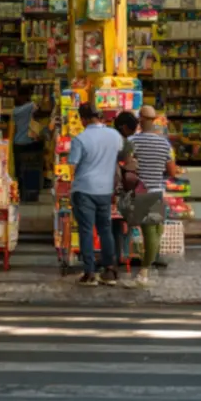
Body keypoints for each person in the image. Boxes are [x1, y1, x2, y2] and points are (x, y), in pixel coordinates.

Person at [68, 102, 124, 286]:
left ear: (83, 119)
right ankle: (110, 269)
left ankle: (90, 272)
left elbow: (72, 166)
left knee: (86, 230)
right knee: (105, 229)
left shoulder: (80, 139)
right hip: (105, 189)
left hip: (84, 189)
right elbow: (121, 157)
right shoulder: (114, 135)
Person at [124, 106, 181, 284]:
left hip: (141, 192)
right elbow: (172, 171)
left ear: (140, 120)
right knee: (155, 231)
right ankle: (145, 269)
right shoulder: (164, 143)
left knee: (150, 233)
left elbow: (127, 166)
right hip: (157, 191)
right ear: (155, 120)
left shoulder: (132, 141)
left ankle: (144, 272)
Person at [110, 110, 140, 269]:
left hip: (104, 187)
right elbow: (129, 166)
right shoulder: (126, 143)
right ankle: (123, 254)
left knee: (109, 225)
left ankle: (112, 257)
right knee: (124, 222)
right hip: (120, 189)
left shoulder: (107, 137)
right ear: (124, 127)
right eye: (131, 129)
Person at [11, 86, 43, 189]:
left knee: (19, 168)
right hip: (29, 142)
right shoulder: (30, 106)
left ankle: (19, 189)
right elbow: (38, 106)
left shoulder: (14, 110)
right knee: (30, 167)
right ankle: (30, 187)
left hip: (17, 142)